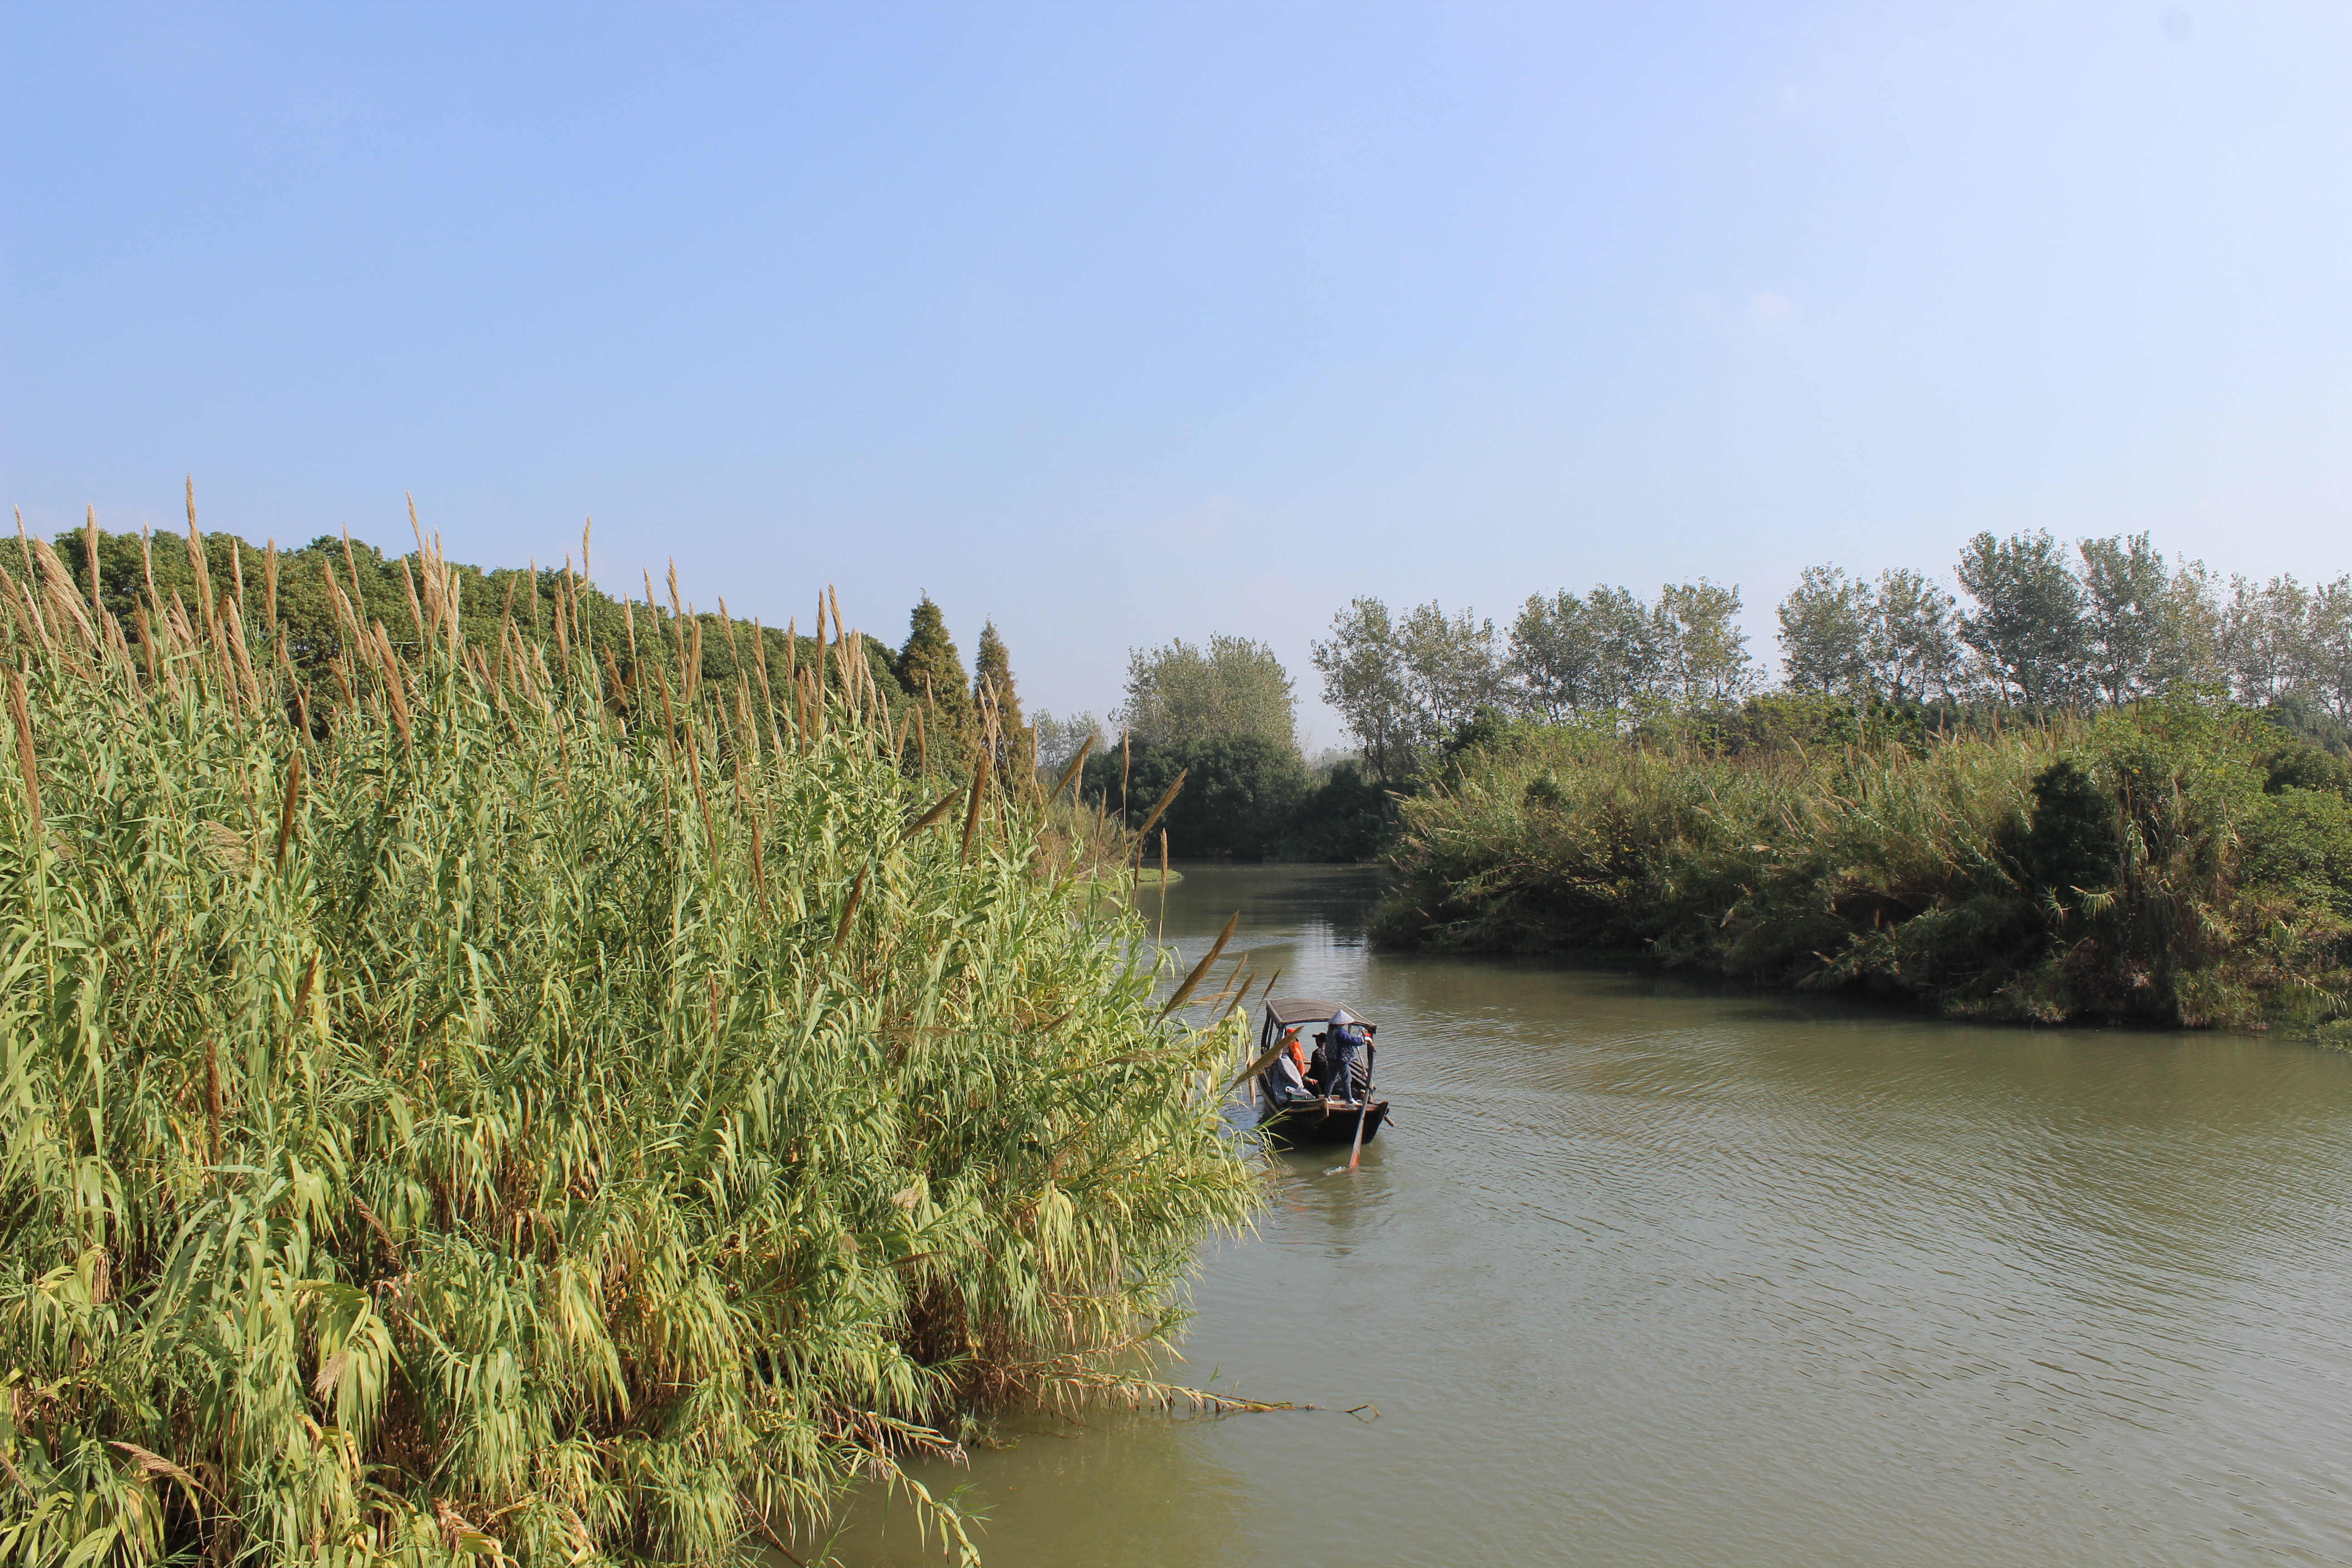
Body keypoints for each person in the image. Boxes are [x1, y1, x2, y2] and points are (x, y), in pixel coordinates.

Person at [1263, 1025, 1311, 1106]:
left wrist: (1303, 1076)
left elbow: (1300, 1064)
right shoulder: (1290, 1048)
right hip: (1294, 1072)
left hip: (1297, 1073)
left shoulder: (1295, 1048)